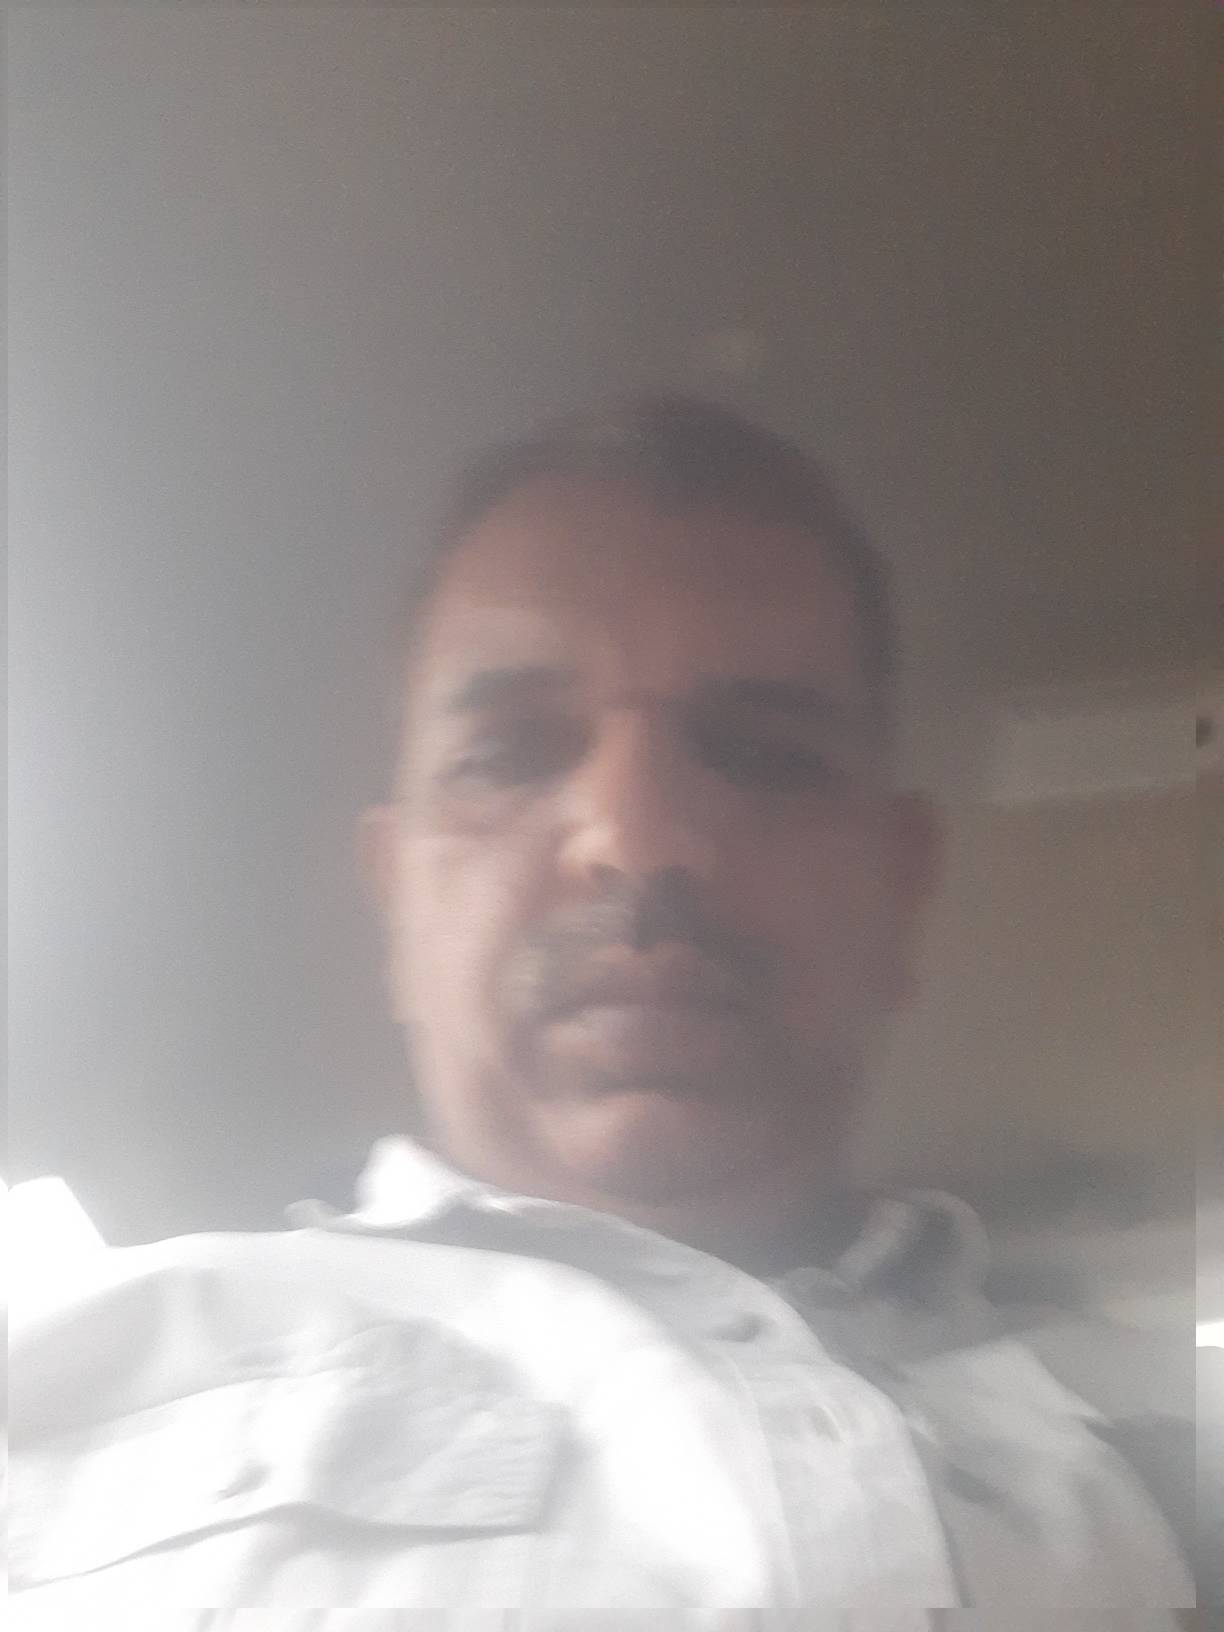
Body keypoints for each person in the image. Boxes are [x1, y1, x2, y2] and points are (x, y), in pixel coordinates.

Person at [10, 396, 1195, 1626]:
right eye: (511, 754)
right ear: (398, 902)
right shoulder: (81, 1361)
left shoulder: (1172, 1424)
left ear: (899, 892)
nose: (636, 838)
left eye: (767, 755)